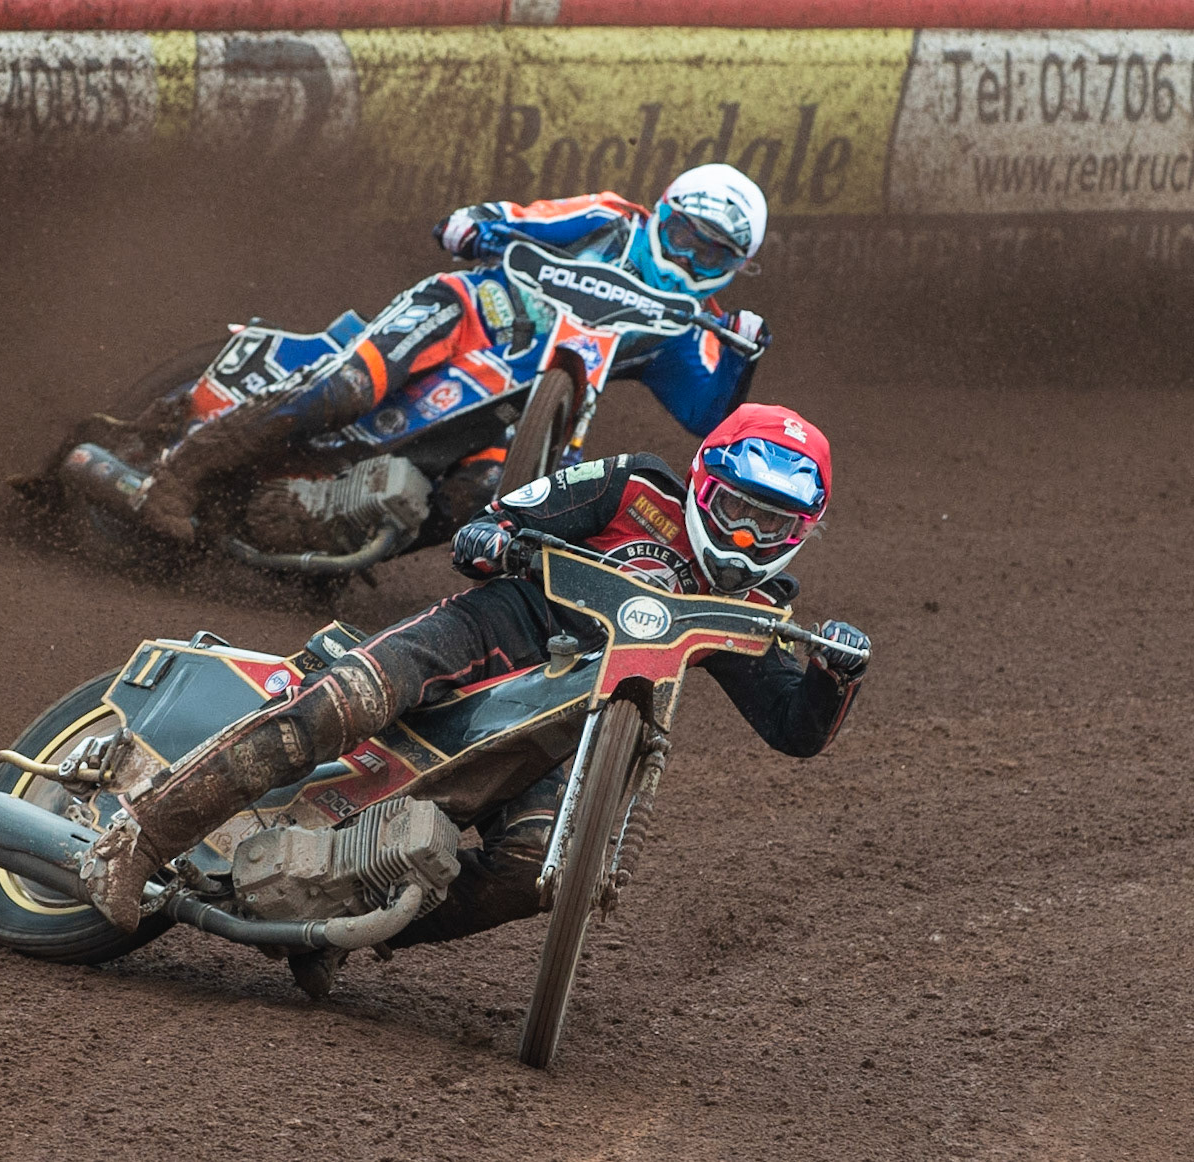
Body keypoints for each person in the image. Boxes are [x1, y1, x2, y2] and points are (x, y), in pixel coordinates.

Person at [82, 403, 872, 994]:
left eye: (771, 525)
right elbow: (505, 518)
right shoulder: (633, 485)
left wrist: (834, 674)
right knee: (341, 705)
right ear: (704, 484)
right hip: (489, 633)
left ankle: (333, 931)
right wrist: (492, 535)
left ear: (803, 530)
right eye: (737, 511)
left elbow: (792, 729)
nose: (745, 539)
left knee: (531, 871)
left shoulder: (758, 611)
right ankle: (137, 841)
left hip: (566, 735)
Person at [139, 163, 776, 541]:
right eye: (684, 236)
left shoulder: (691, 326)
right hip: (467, 314)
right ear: (662, 214)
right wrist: (474, 225)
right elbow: (524, 218)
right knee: (350, 390)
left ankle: (337, 531)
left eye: (710, 254)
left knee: (483, 495)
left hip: (518, 405)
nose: (688, 258)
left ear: (734, 267)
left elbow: (705, 417)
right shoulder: (612, 220)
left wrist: (743, 356)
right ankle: (185, 467)